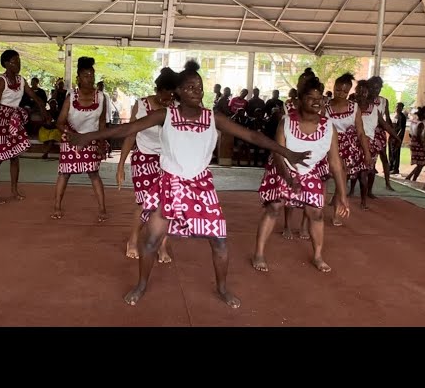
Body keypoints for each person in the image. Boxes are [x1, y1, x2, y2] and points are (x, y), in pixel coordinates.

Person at [67, 60, 310, 309]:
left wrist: (286, 152)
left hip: (201, 187)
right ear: (179, 92)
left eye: (200, 87)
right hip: (169, 185)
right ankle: (141, 284)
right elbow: (128, 129)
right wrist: (89, 136)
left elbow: (251, 135)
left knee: (220, 242)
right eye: (191, 87)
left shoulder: (213, 117)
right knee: (150, 241)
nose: (197, 91)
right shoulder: (166, 115)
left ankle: (223, 288)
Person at [253, 75, 350, 274]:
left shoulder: (328, 127)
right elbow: (278, 154)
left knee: (316, 212)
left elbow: (335, 162)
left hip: (310, 171)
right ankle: (259, 253)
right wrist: (289, 179)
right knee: (274, 207)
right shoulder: (286, 123)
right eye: (310, 98)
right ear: (299, 100)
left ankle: (318, 256)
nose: (316, 101)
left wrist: (342, 195)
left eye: (319, 97)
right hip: (284, 169)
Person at [117, 67, 177, 262]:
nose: (168, 101)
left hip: (168, 161)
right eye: (165, 97)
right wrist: (120, 166)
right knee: (145, 204)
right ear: (157, 90)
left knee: (168, 204)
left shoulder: (177, 107)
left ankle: (162, 246)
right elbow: (130, 134)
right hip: (144, 158)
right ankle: (133, 241)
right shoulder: (142, 105)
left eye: (171, 98)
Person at [0, 49, 49, 204]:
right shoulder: (1, 80)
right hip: (0, 119)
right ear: (6, 64)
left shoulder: (21, 80)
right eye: (15, 61)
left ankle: (14, 190)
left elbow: (34, 96)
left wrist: (43, 108)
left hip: (13, 119)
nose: (18, 64)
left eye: (19, 61)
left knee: (15, 156)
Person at [52, 57, 109, 222]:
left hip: (92, 138)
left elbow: (102, 122)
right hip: (71, 137)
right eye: (86, 75)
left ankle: (102, 208)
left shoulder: (101, 97)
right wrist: (72, 136)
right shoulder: (71, 96)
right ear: (78, 78)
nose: (90, 78)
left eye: (92, 75)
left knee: (93, 173)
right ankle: (57, 206)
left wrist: (100, 143)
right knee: (65, 173)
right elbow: (60, 122)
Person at [325, 73, 372, 216]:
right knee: (324, 177)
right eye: (338, 90)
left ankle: (337, 212)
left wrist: (367, 152)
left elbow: (360, 132)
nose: (341, 94)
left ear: (349, 91)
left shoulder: (354, 107)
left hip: (347, 149)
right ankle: (319, 205)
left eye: (345, 91)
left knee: (342, 178)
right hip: (327, 145)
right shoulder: (324, 106)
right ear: (333, 87)